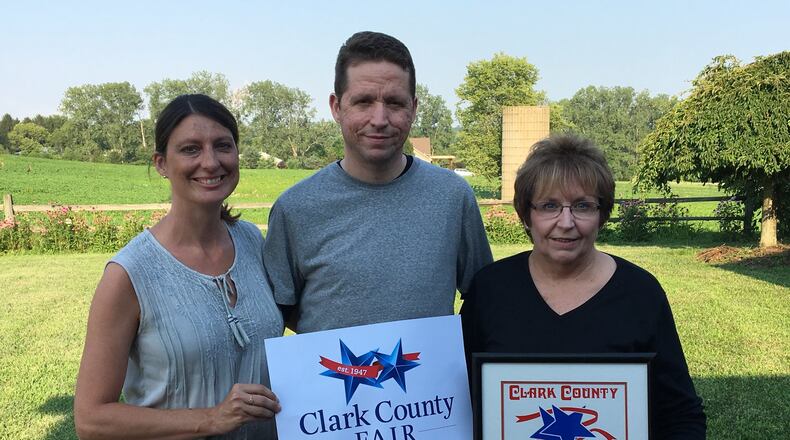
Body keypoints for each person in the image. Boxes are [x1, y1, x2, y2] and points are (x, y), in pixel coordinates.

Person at [460, 135, 706, 438]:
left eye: (583, 206)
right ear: (527, 215)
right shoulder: (490, 289)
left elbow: (682, 414)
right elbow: (461, 402)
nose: (566, 222)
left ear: (601, 215)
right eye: (549, 205)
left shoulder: (641, 293)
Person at [74, 94, 284, 439]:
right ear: (161, 163)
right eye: (190, 149)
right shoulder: (129, 275)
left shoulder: (251, 242)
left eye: (223, 146)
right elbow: (91, 421)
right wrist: (212, 419)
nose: (211, 162)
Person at [262, 31, 493, 333]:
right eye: (363, 102)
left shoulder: (452, 197)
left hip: (430, 380)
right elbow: (279, 312)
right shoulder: (295, 209)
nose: (380, 118)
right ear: (336, 107)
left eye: (395, 103)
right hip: (337, 379)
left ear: (414, 108)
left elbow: (484, 296)